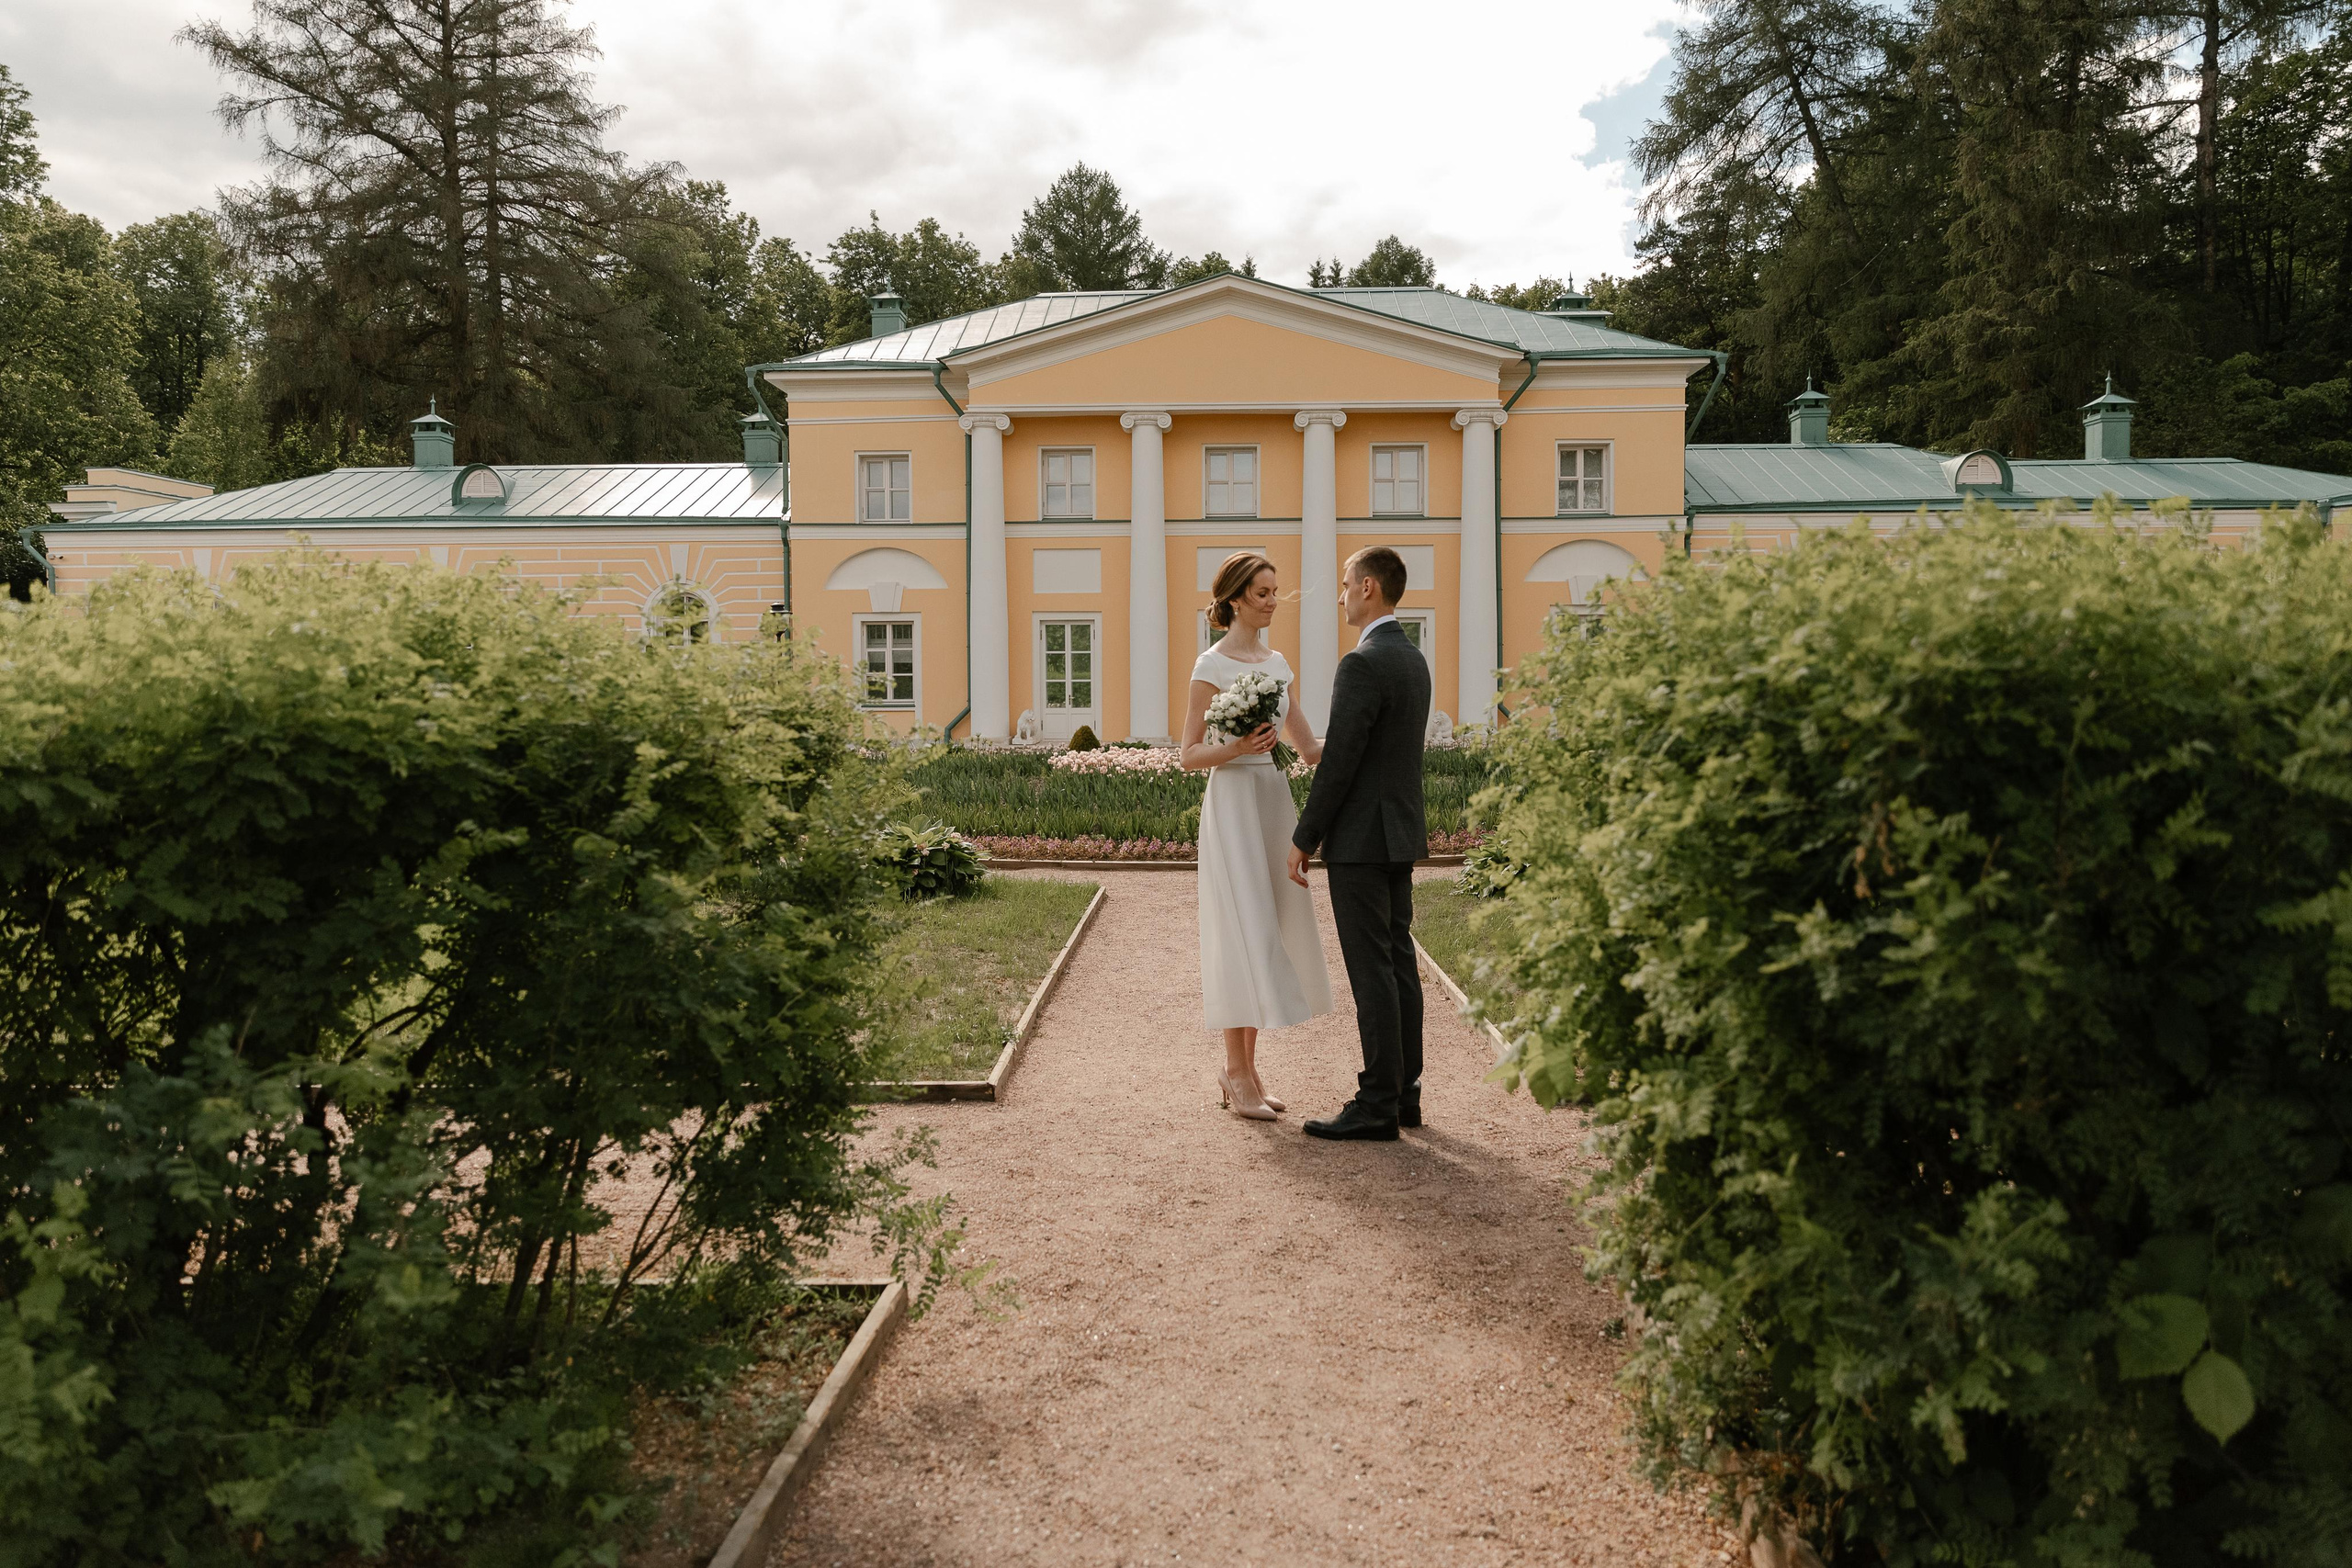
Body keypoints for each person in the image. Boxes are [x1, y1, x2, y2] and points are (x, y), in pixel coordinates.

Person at [1285, 547, 1432, 1141]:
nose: (1341, 593)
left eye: (1346, 583)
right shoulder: (1413, 659)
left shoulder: (1362, 663)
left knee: (1373, 970)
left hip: (1361, 840)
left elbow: (1340, 762)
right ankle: (1404, 1095)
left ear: (1369, 588)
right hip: (1398, 833)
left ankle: (1376, 1102)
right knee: (1399, 966)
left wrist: (1304, 836)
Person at [1182, 551, 1333, 1120]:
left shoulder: (1279, 664)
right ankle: (1236, 1072)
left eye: (1276, 591)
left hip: (1273, 804)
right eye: (1265, 592)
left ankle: (1245, 1070)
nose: (1274, 601)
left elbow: (1309, 748)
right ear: (1238, 597)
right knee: (1238, 927)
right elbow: (1188, 755)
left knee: (1267, 929)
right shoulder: (1210, 664)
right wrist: (1238, 748)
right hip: (1232, 802)